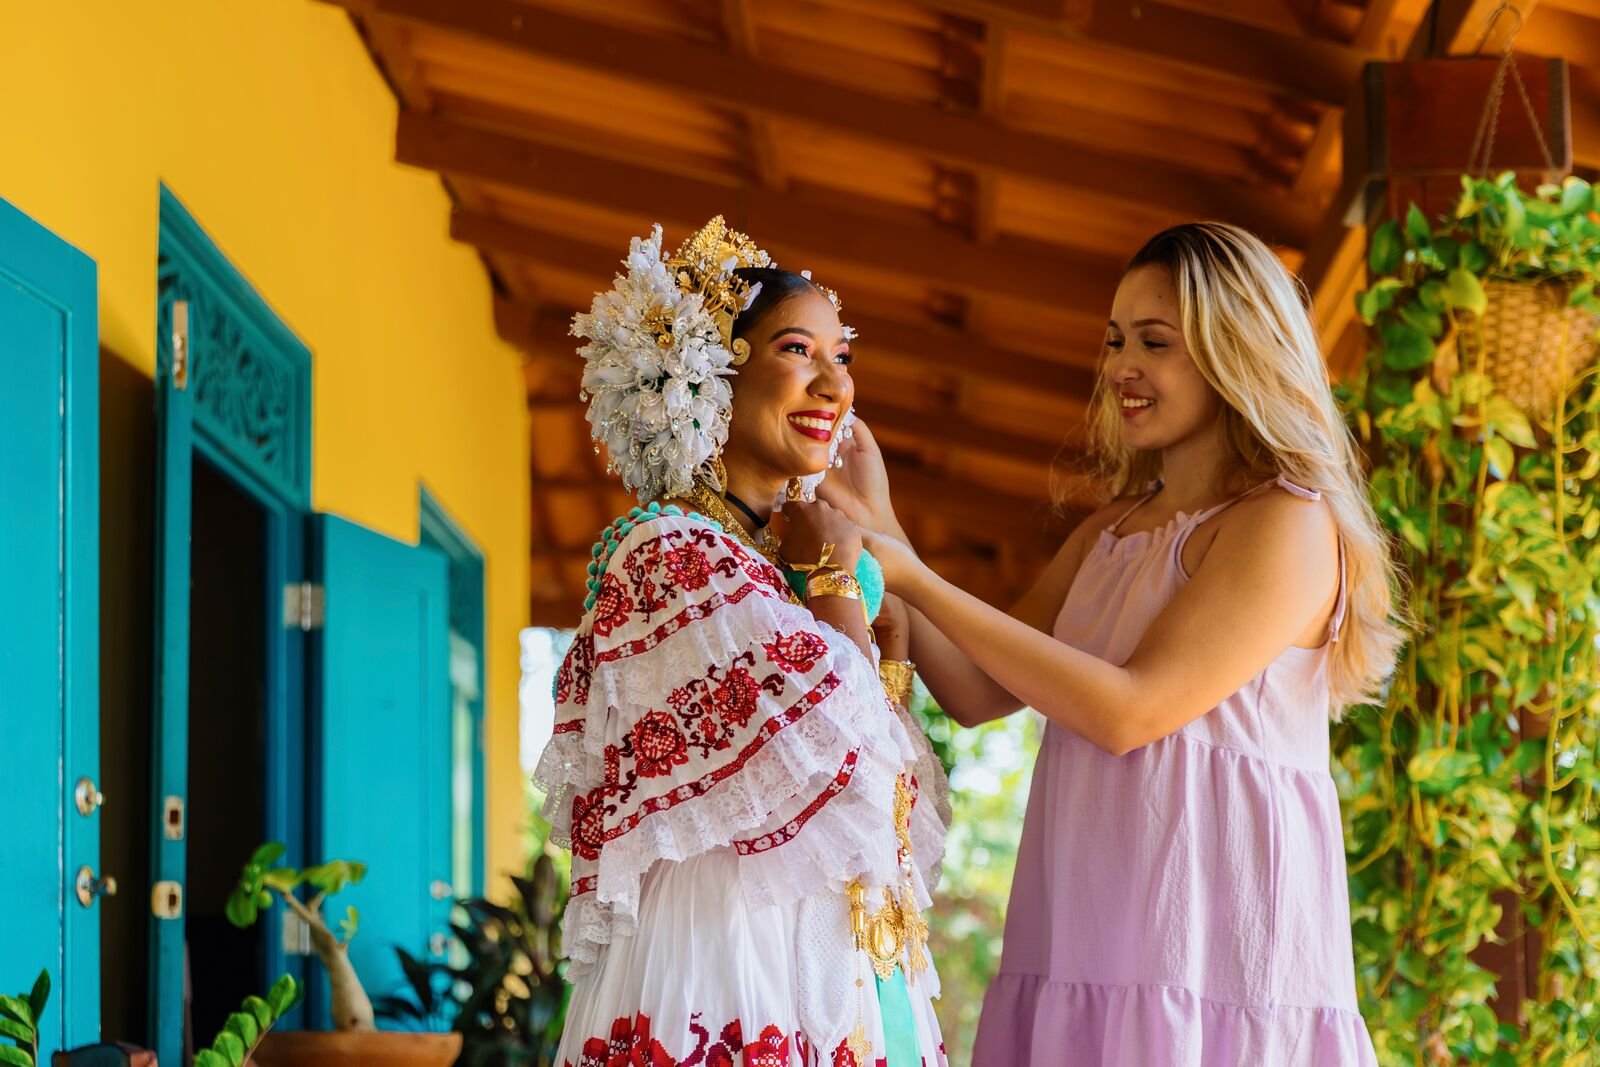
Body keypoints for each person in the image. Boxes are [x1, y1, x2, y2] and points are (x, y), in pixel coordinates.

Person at [823, 222, 1403, 1065]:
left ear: (1233, 350)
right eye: (1116, 339)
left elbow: (1131, 710)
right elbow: (979, 690)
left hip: (1210, 957)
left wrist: (914, 577)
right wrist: (881, 528)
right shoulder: (1111, 533)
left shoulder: (1289, 521)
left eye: (1155, 342)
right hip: (1085, 943)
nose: (1122, 365)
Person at [537, 218, 948, 1067]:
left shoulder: (769, 561)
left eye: (844, 358)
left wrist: (876, 622)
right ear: (713, 371)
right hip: (724, 961)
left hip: (820, 960)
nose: (833, 383)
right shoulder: (671, 554)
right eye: (799, 350)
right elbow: (851, 753)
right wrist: (836, 581)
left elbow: (882, 778)